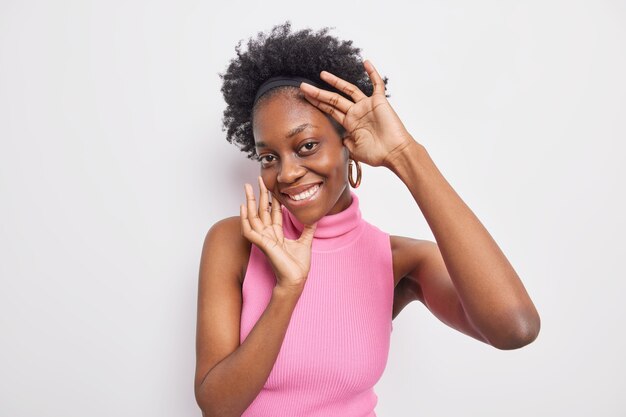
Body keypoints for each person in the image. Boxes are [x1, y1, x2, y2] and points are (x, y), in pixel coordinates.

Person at [194, 22, 540, 417]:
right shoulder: (235, 242)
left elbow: (516, 328)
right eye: (269, 157)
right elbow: (217, 407)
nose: (286, 173)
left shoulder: (396, 259)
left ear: (350, 145)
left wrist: (405, 155)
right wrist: (287, 291)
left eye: (306, 146)